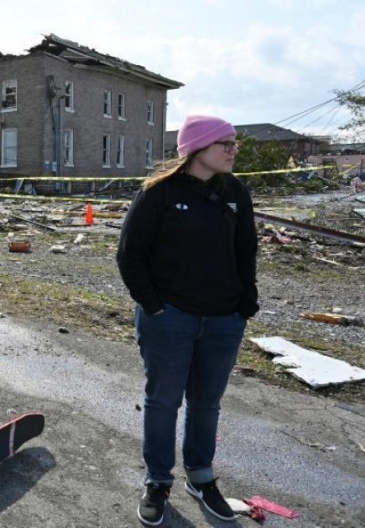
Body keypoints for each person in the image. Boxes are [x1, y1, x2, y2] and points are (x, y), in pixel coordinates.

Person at [116, 115, 259, 526]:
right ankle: (158, 482)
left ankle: (201, 476)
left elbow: (245, 250)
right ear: (197, 148)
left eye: (234, 142)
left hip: (224, 320)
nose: (234, 149)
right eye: (225, 143)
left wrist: (244, 302)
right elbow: (130, 254)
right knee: (163, 403)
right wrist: (153, 306)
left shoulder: (235, 192)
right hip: (170, 318)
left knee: (206, 404)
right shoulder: (158, 193)